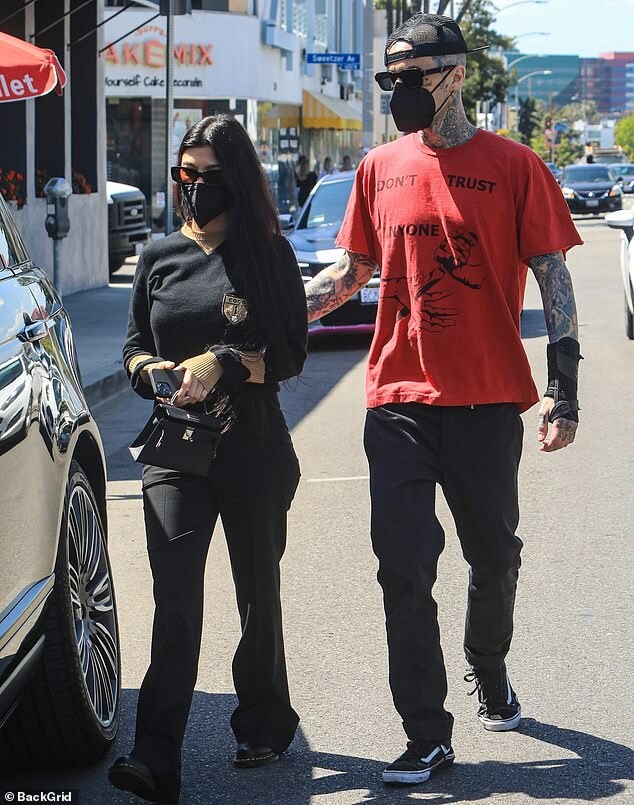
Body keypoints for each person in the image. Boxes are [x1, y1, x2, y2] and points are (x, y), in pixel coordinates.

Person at [305, 12, 582, 787]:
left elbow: (554, 276)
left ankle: (487, 661)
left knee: (494, 558)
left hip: (488, 403)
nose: (399, 90)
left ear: (455, 75)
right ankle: (426, 733)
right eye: (390, 79)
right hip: (397, 401)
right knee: (403, 568)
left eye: (411, 78)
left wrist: (564, 389)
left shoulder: (516, 166)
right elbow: (351, 273)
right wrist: (277, 312)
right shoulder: (378, 167)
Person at [108, 113, 307, 804]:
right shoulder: (159, 256)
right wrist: (149, 371)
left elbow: (289, 355)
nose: (195, 187)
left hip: (253, 448)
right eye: (185, 175)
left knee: (257, 593)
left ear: (239, 181)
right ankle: (155, 755)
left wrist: (223, 359)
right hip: (175, 451)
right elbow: (133, 345)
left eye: (210, 177)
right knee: (174, 597)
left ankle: (265, 721)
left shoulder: (268, 254)